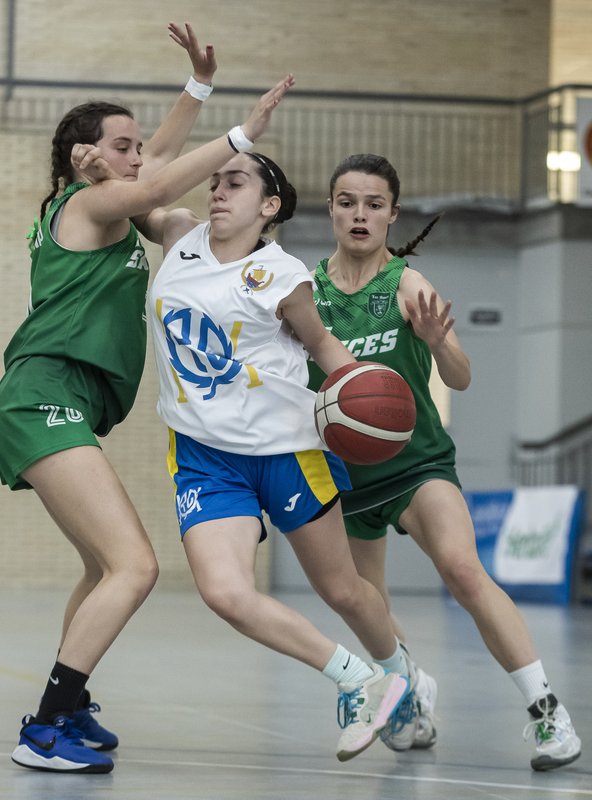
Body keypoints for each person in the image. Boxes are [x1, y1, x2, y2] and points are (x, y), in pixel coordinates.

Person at [0, 21, 296, 773]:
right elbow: (158, 180)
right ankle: (47, 725)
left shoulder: (105, 198)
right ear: (82, 158)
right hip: (42, 397)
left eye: (133, 144)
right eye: (121, 145)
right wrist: (241, 131)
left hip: (59, 399)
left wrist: (196, 84)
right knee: (136, 566)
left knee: (101, 569)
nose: (137, 153)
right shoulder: (87, 206)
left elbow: (154, 165)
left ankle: (73, 701)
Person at [131, 149, 412, 762]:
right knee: (225, 593)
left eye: (236, 184)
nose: (219, 193)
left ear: (269, 205)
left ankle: (400, 670)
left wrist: (379, 409)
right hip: (204, 454)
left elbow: (324, 347)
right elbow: (138, 191)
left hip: (287, 450)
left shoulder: (282, 274)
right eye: (215, 183)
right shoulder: (180, 235)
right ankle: (355, 679)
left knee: (342, 589)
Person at [307, 153, 582, 771]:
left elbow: (460, 376)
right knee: (367, 606)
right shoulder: (307, 291)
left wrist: (437, 343)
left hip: (416, 464)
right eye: (347, 201)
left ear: (392, 215)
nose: (359, 214)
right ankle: (412, 699)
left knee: (461, 569)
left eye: (374, 204)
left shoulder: (407, 284)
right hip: (344, 477)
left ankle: (547, 713)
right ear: (330, 209)